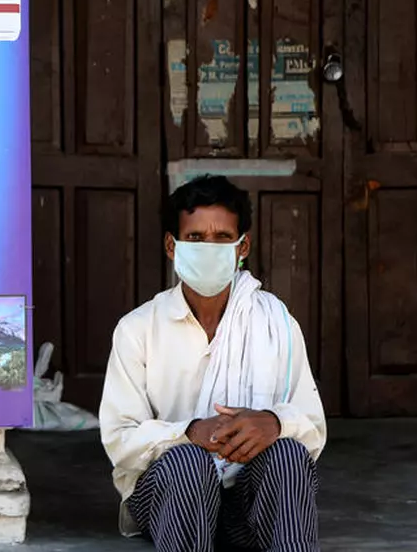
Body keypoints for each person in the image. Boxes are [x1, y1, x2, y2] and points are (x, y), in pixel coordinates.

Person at [100, 175, 326, 552]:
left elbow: (312, 427)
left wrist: (273, 422)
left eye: (222, 237)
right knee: (188, 463)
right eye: (195, 238)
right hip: (169, 497)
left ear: (243, 247)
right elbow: (119, 440)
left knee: (287, 454)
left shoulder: (276, 322)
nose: (209, 247)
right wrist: (188, 433)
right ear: (172, 246)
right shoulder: (138, 329)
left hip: (247, 504)